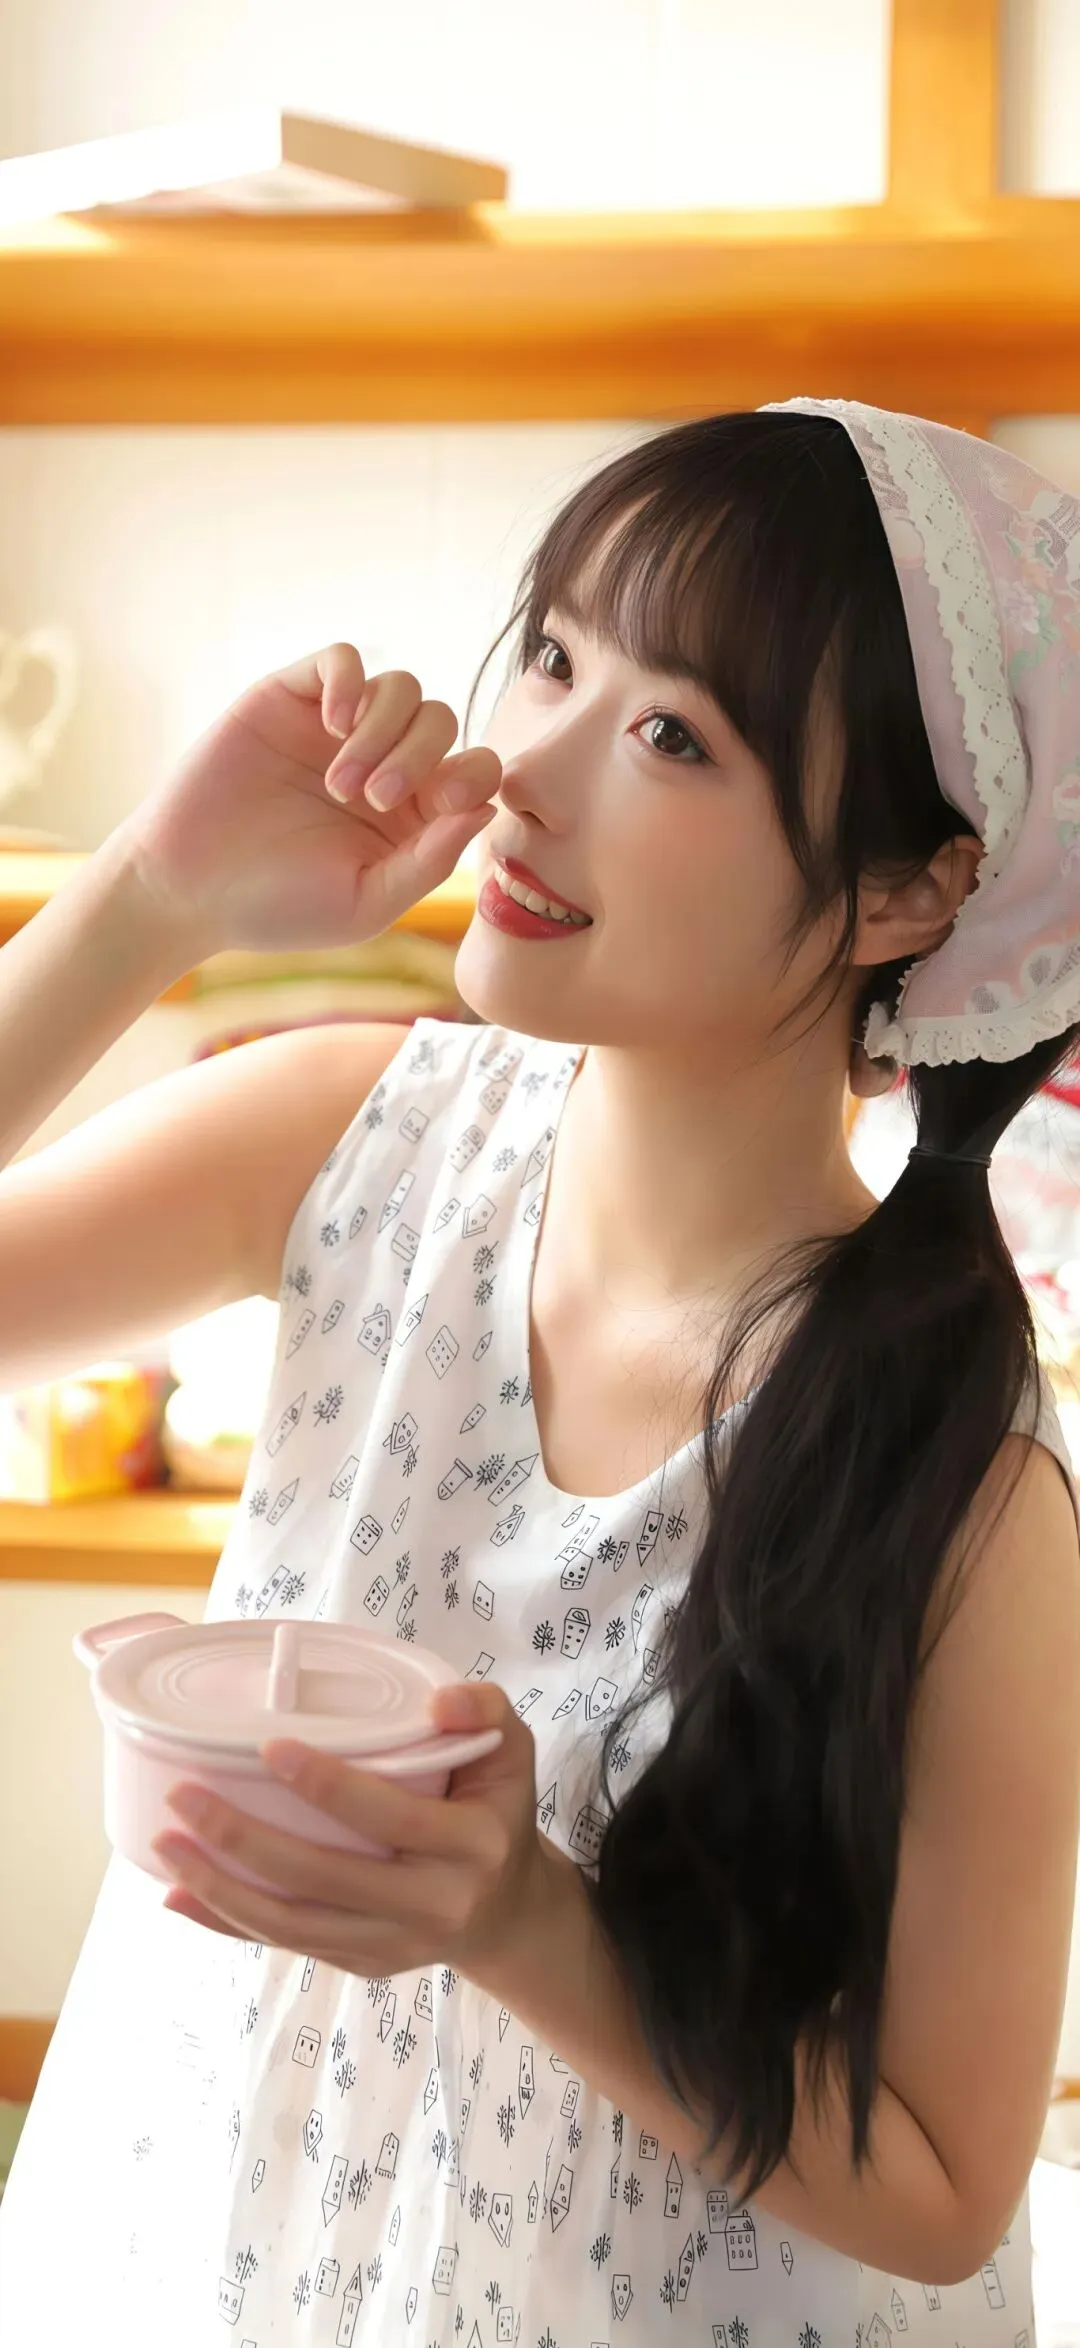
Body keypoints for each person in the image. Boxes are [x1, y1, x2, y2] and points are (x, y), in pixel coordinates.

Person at [0, 399, 1078, 2347]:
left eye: (675, 737)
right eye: (558, 657)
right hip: (206, 2264)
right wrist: (153, 896)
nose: (526, 771)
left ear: (911, 890)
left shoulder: (968, 1475)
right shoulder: (355, 1137)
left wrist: (522, 1919)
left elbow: (939, 2188)